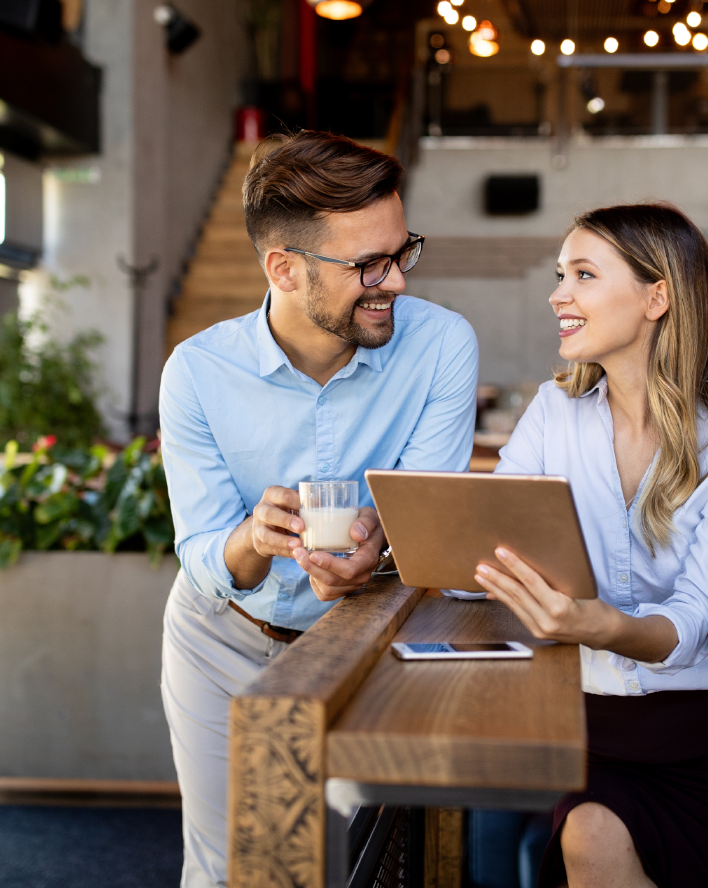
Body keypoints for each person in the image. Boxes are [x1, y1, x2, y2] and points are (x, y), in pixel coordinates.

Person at [157, 131, 479, 888]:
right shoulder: (199, 373)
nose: (396, 281)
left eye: (403, 252)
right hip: (224, 641)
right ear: (284, 268)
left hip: (369, 640)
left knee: (357, 868)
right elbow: (203, 549)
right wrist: (251, 539)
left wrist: (384, 549)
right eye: (368, 263)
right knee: (235, 866)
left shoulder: (440, 346)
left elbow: (427, 515)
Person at [473, 203, 708, 888]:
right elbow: (481, 554)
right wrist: (409, 546)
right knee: (589, 834)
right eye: (561, 274)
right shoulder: (552, 413)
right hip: (597, 739)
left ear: (657, 296)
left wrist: (598, 625)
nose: (558, 293)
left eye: (583, 274)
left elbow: (692, 624)